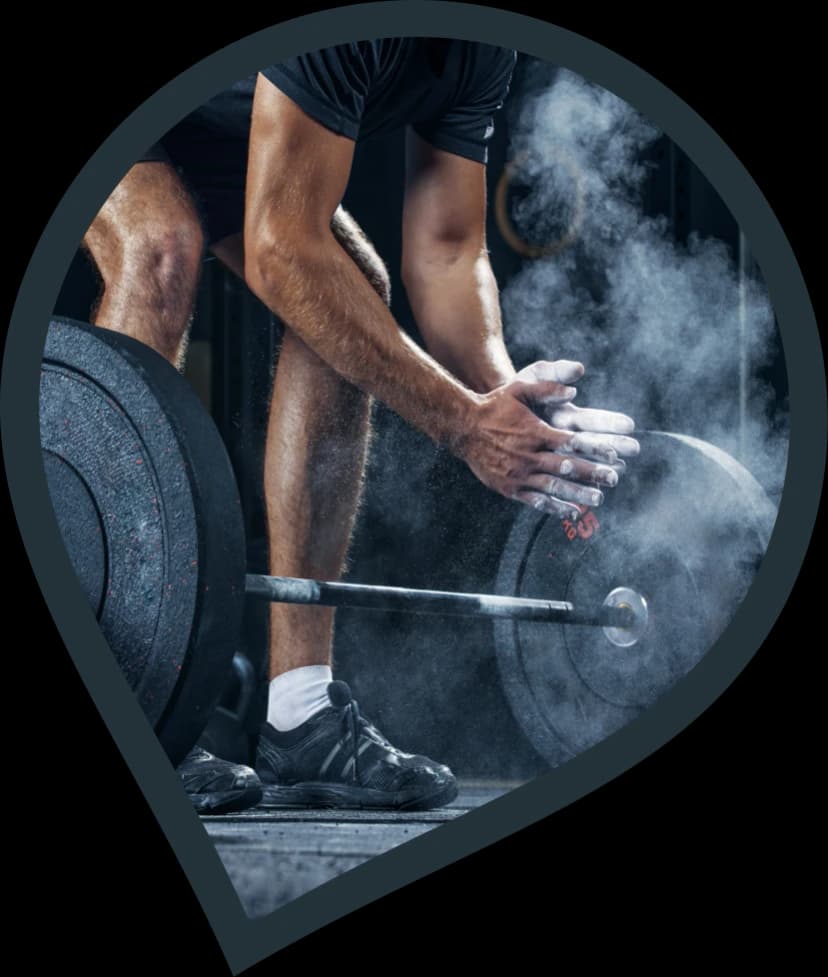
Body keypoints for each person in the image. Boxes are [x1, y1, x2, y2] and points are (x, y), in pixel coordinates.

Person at [82, 38, 639, 813]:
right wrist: (467, 429)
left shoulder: (479, 48)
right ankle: (122, 700)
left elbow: (446, 254)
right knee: (159, 249)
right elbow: (280, 250)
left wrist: (510, 403)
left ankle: (300, 715)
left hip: (213, 123)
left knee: (349, 295)